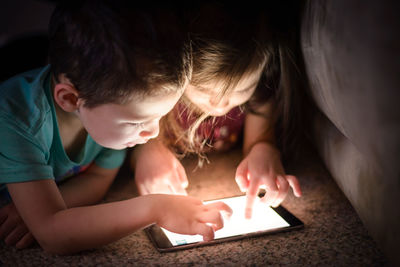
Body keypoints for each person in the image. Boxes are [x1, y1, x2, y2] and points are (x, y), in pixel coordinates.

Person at [0, 0, 232, 254]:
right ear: (69, 99)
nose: (153, 133)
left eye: (160, 116)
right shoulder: (15, 118)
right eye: (136, 121)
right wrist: (156, 208)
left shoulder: (106, 119)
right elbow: (53, 236)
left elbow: (97, 178)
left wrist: (42, 209)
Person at [132, 2, 302, 219]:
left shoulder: (261, 93)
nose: (221, 105)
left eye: (243, 88)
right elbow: (124, 141)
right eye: (204, 89)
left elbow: (260, 141)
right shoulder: (161, 95)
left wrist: (265, 151)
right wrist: (145, 151)